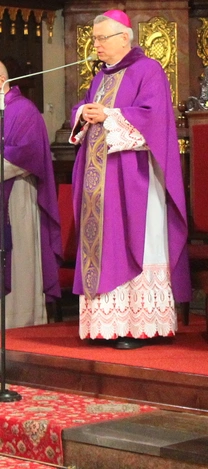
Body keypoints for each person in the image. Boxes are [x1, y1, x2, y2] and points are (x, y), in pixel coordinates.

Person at [68, 10, 190, 349]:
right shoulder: (100, 77)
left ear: (124, 38)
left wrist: (109, 115)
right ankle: (104, 326)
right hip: (100, 181)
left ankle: (138, 326)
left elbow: (155, 118)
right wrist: (83, 113)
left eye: (101, 38)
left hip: (134, 178)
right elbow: (87, 111)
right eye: (94, 39)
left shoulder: (148, 70)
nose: (96, 45)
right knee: (104, 245)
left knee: (136, 240)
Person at [0, 60, 62, 328]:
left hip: (17, 199)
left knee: (20, 264)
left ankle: (20, 323)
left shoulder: (23, 110)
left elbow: (27, 155)